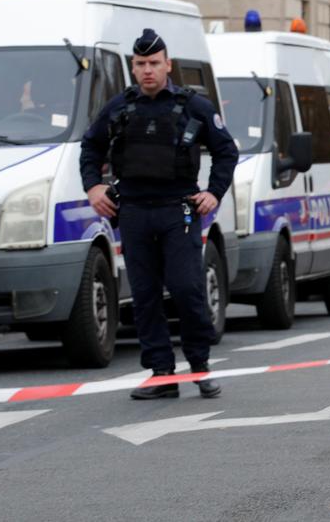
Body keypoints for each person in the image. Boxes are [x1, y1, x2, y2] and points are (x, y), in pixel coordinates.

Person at [80, 29, 238, 399]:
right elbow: (91, 146)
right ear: (132, 68)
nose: (148, 70)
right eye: (141, 64)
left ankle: (200, 366)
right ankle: (161, 374)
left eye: (154, 63)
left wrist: (213, 193)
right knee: (145, 295)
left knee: (186, 289)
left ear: (168, 65)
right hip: (133, 211)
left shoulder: (192, 106)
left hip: (177, 211)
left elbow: (226, 151)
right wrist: (93, 187)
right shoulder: (120, 107)